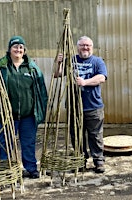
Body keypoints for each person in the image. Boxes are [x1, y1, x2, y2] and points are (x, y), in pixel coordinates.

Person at [0, 36, 48, 179]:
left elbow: (41, 90)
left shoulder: (32, 68)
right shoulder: (1, 67)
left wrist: (41, 110)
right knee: (5, 144)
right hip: (6, 115)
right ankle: (6, 170)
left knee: (29, 143)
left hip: (28, 115)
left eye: (21, 47)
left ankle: (31, 168)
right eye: (15, 47)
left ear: (24, 50)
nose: (18, 49)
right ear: (9, 49)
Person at [55, 36, 107, 174]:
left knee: (95, 135)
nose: (85, 48)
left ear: (92, 47)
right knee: (77, 136)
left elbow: (101, 77)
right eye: (82, 45)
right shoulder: (71, 60)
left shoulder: (97, 61)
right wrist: (59, 63)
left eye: (88, 45)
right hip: (74, 107)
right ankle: (80, 161)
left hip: (93, 106)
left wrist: (85, 82)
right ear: (77, 46)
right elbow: (57, 74)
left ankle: (98, 161)